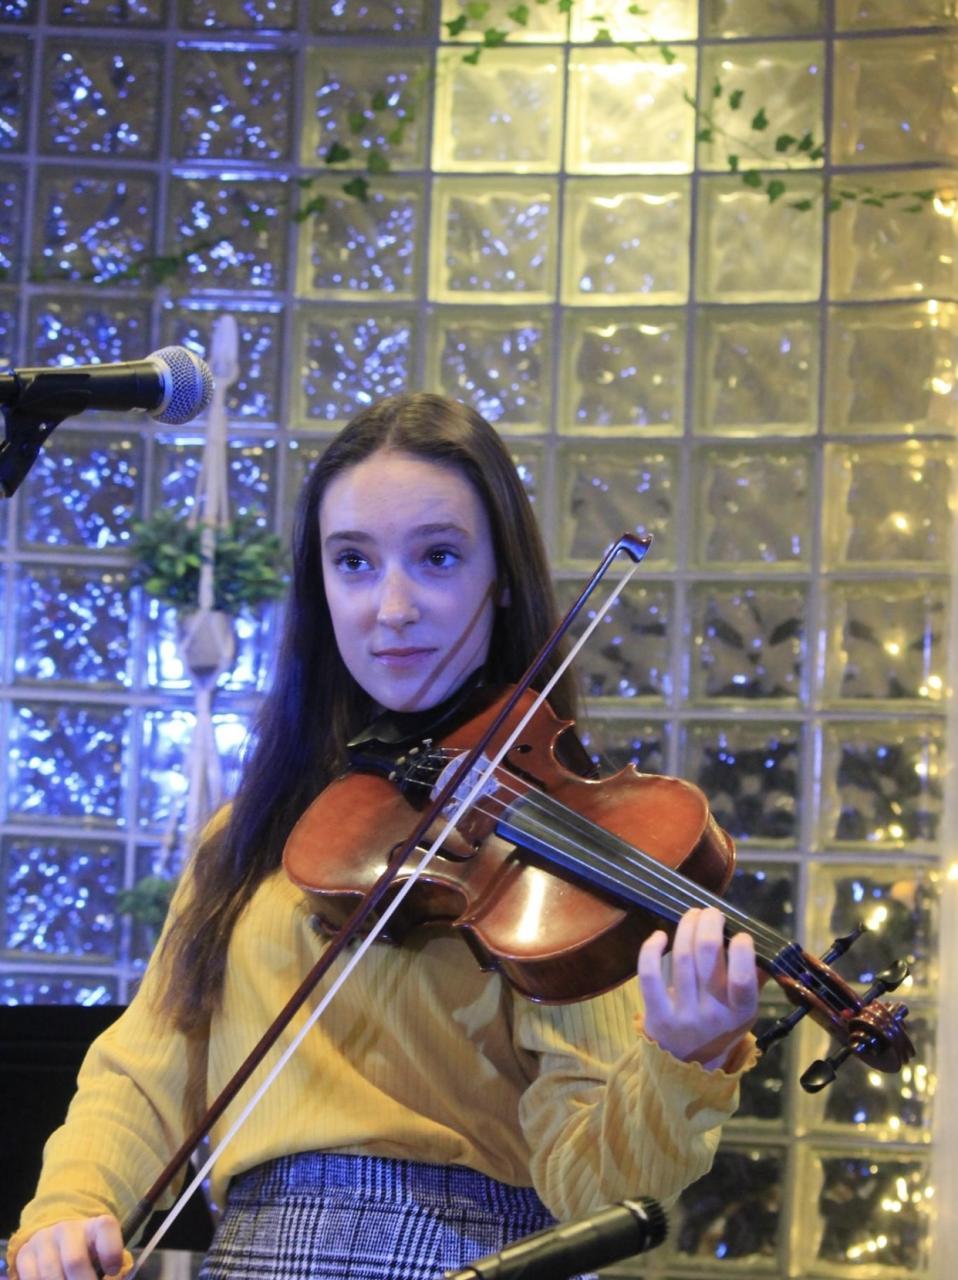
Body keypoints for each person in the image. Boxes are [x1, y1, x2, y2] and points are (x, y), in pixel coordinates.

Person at [8, 394, 759, 1280]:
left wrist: (681, 1058)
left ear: (501, 579)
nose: (392, 607)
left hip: (470, 1255)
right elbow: (146, 1064)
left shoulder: (551, 854)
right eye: (354, 562)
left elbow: (595, 1188)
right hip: (253, 1257)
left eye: (438, 557)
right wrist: (70, 1208)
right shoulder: (247, 833)